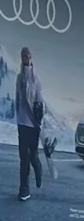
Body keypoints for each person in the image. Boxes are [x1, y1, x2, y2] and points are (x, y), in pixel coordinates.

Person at [15, 47, 43, 201]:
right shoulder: (19, 77)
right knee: (23, 158)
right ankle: (24, 189)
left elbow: (40, 101)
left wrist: (38, 120)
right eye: (23, 56)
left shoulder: (36, 79)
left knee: (32, 156)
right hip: (22, 123)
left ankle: (38, 167)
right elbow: (18, 99)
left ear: (31, 57)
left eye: (27, 56)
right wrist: (18, 117)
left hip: (33, 124)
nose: (25, 58)